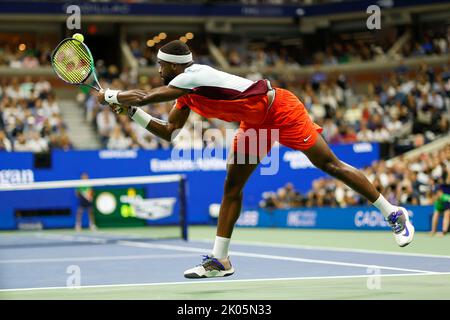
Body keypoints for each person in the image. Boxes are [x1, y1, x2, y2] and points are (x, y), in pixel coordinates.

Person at [97, 40, 415, 279]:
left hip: (281, 110)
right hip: (255, 125)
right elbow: (168, 132)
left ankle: (392, 212)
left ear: (175, 66)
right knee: (232, 187)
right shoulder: (184, 92)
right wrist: (133, 114)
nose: (158, 70)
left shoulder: (193, 75)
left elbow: (145, 95)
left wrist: (113, 96)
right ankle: (220, 260)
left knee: (328, 164)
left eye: (161, 66)